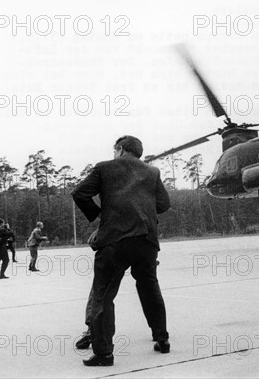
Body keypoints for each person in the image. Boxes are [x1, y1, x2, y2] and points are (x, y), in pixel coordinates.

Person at [72, 135, 171, 367]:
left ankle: (104, 354)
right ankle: (162, 339)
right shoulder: (152, 172)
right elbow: (164, 204)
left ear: (119, 149)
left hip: (115, 240)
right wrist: (141, 209)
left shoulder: (104, 168)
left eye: (114, 149)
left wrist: (101, 216)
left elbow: (80, 193)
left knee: (103, 295)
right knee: (149, 286)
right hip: (146, 239)